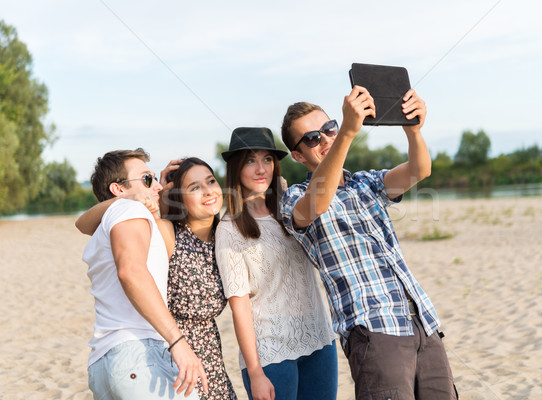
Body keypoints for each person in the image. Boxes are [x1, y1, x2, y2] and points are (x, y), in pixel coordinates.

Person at [279, 87, 458, 400]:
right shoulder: (294, 197)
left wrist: (413, 130)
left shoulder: (366, 181)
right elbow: (317, 205)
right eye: (311, 138)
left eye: (329, 129)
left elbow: (419, 170)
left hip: (421, 321)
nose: (324, 139)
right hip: (372, 328)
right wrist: (347, 133)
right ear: (297, 155)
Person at [77, 155, 236, 399]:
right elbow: (130, 271)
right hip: (140, 353)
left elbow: (82, 224)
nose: (158, 186)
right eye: (147, 179)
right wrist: (177, 341)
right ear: (118, 189)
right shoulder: (128, 209)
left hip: (112, 358)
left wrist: (152, 196)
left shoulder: (123, 218)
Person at [215, 127, 337, 400]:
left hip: (320, 340)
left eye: (267, 160)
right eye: (250, 160)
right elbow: (240, 306)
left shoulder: (292, 207)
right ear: (236, 168)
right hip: (271, 352)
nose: (261, 169)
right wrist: (256, 371)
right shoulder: (230, 229)